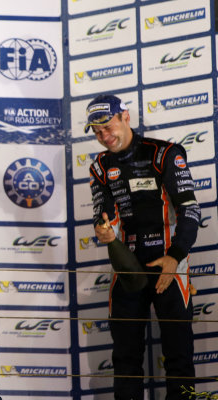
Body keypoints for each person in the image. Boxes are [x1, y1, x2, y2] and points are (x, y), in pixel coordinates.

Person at [87, 94, 200, 400]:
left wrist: (175, 257)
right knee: (125, 358)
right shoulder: (100, 165)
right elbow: (103, 211)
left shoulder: (164, 153)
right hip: (128, 267)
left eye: (108, 127)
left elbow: (190, 210)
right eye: (97, 133)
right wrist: (104, 229)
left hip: (169, 261)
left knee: (179, 355)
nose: (104, 137)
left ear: (125, 117)